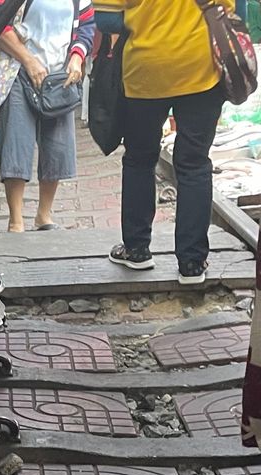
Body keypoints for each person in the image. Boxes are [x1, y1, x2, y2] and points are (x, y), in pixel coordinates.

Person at [97, 0, 230, 286]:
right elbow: (234, 9)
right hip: (202, 67)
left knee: (139, 158)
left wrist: (149, 18)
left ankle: (137, 250)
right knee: (195, 163)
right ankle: (192, 263)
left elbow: (106, 20)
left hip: (147, 68)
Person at [0, 0, 95, 233]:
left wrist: (77, 57)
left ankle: (44, 214)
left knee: (56, 145)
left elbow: (87, 25)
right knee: (16, 142)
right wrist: (28, 60)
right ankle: (16, 220)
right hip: (17, 71)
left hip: (58, 76)